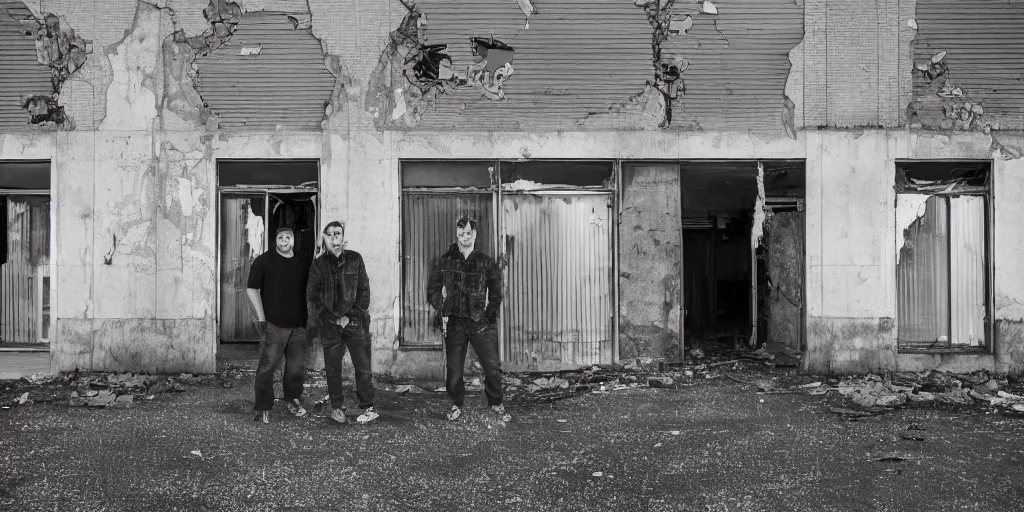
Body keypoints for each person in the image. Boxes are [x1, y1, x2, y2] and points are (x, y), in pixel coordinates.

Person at [427, 215, 510, 422]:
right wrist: (442, 307)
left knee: (491, 366)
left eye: (469, 233)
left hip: (480, 322)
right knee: (454, 367)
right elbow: (433, 289)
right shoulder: (445, 261)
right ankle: (456, 403)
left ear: (475, 235)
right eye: (462, 233)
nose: (465, 236)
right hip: (455, 322)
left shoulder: (485, 262)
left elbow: (497, 292)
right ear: (457, 234)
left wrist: (490, 315)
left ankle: (496, 403)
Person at [306, 221, 378, 424]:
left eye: (338, 234)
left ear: (343, 236)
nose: (334, 238)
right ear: (325, 238)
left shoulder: (355, 259)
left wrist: (351, 315)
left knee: (363, 367)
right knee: (332, 368)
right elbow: (312, 297)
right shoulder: (318, 264)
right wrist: (334, 318)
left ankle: (367, 406)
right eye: (330, 235)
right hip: (329, 325)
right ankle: (337, 407)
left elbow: (364, 291)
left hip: (356, 323)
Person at [247, 226, 310, 424]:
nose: (284, 241)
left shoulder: (302, 261)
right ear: (276, 240)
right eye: (281, 237)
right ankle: (263, 407)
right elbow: (251, 289)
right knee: (267, 367)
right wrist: (262, 318)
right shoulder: (264, 261)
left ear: (293, 240)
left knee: (295, 369)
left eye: (288, 237)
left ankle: (292, 400)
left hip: (299, 325)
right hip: (274, 325)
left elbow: (312, 286)